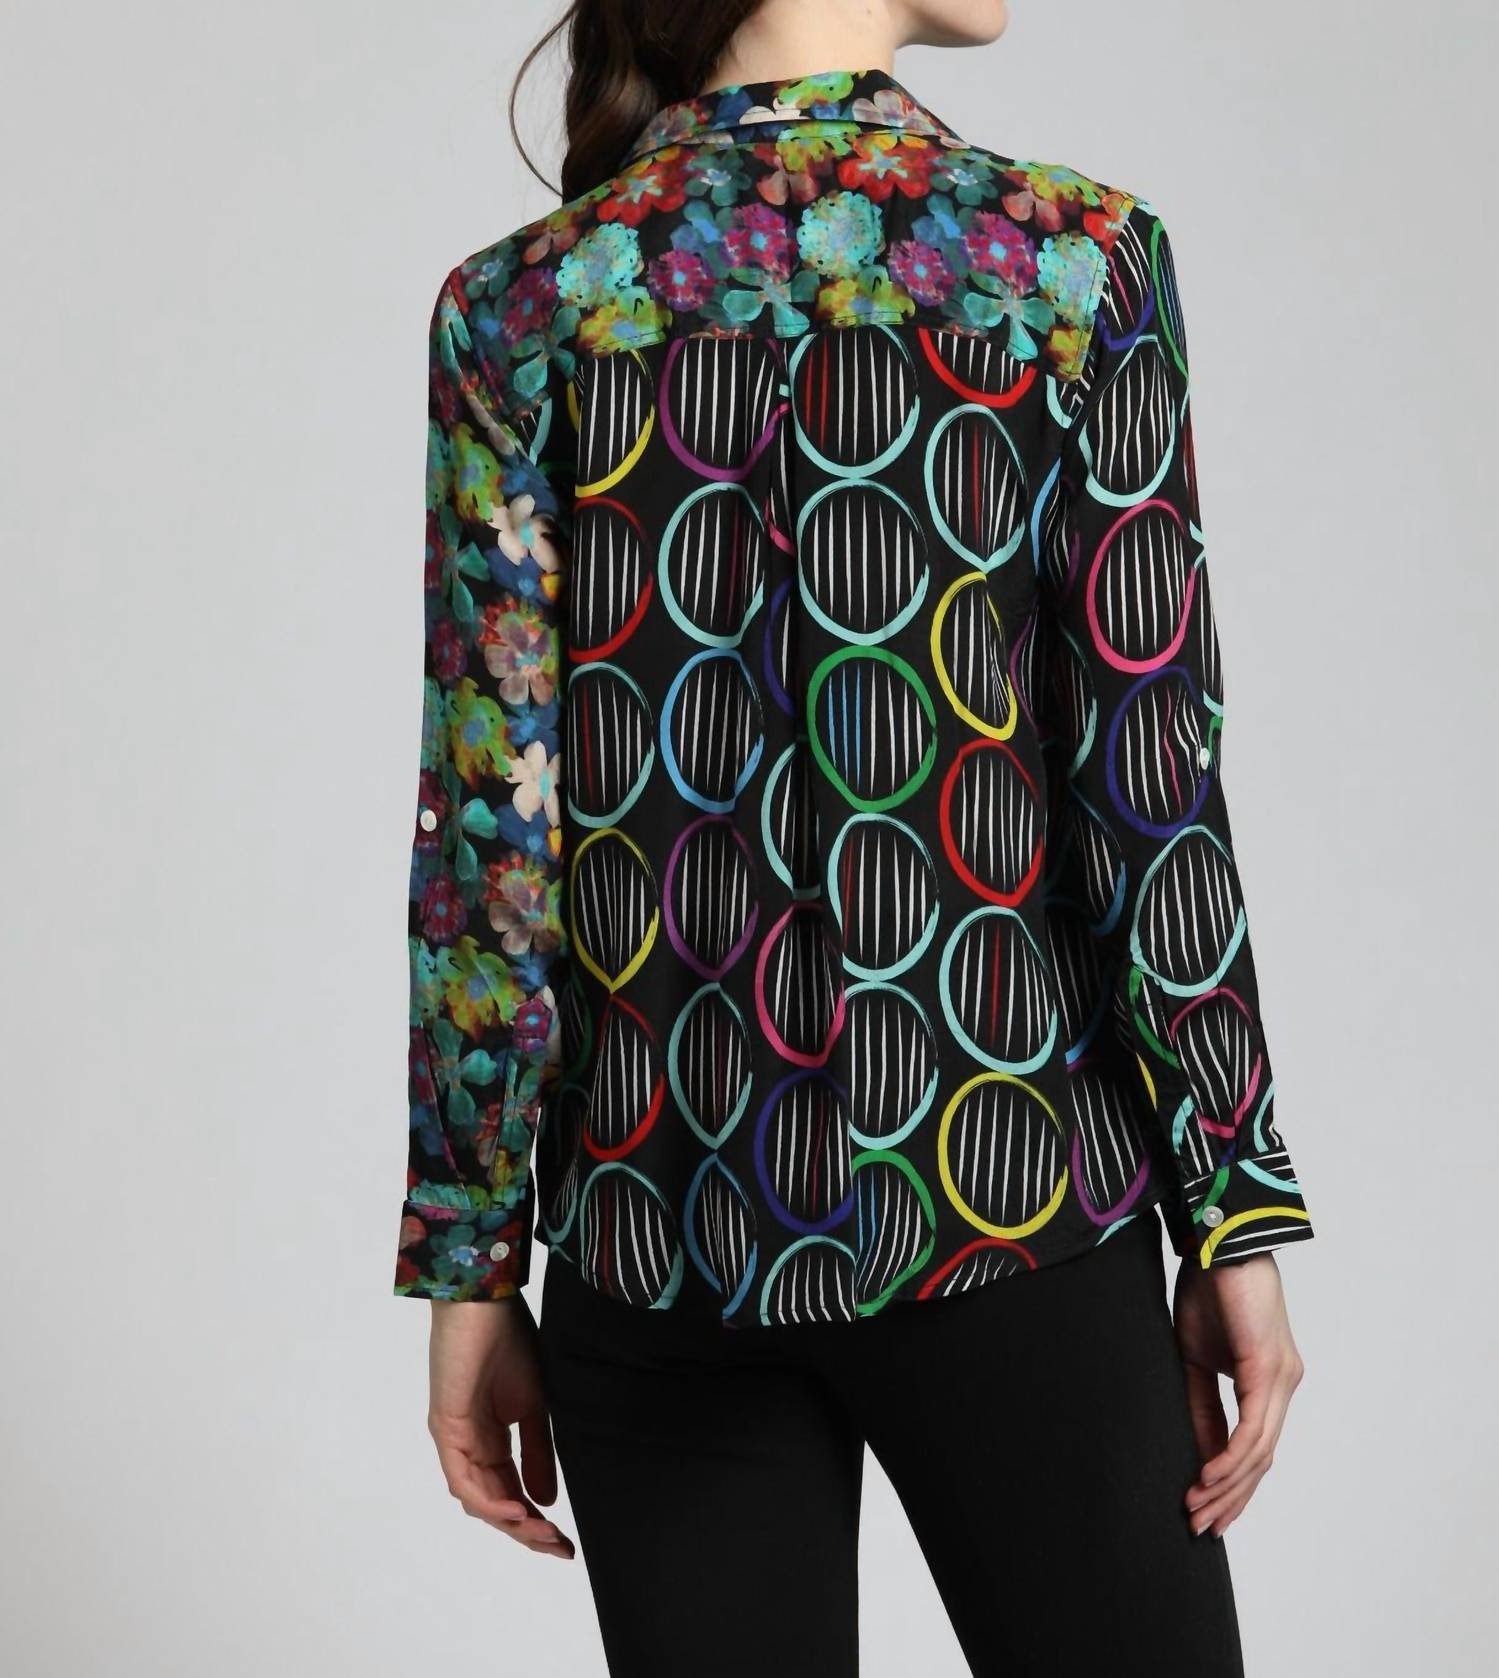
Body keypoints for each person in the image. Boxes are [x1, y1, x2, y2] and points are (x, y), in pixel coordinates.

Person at [395, 2, 1315, 1672]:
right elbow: (1146, 777)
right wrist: (1230, 1201)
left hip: (655, 1219)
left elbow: (494, 832)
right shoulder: (1068, 265)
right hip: (1010, 1191)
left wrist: (476, 1258)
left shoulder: (524, 306)